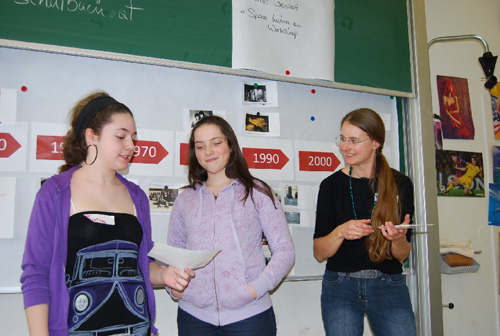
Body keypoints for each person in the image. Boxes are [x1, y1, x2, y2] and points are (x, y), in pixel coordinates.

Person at [20, 91, 194, 336]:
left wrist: (166, 275)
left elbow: (143, 265)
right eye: (121, 136)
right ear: (92, 136)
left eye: (133, 137)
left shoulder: (136, 197)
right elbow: (36, 274)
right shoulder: (56, 193)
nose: (131, 146)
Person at [167, 115, 295, 335]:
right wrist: (175, 290)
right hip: (194, 317)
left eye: (216, 143)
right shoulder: (185, 200)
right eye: (200, 146)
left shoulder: (258, 193)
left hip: (250, 316)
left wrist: (254, 290)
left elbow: (285, 251)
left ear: (231, 146)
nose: (208, 151)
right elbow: (173, 255)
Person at [313, 108, 416, 336]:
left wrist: (398, 240)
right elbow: (319, 253)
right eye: (342, 139)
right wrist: (340, 232)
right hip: (340, 286)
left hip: (389, 284)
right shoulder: (331, 186)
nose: (344, 147)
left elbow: (402, 255)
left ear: (376, 143)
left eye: (353, 140)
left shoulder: (401, 184)